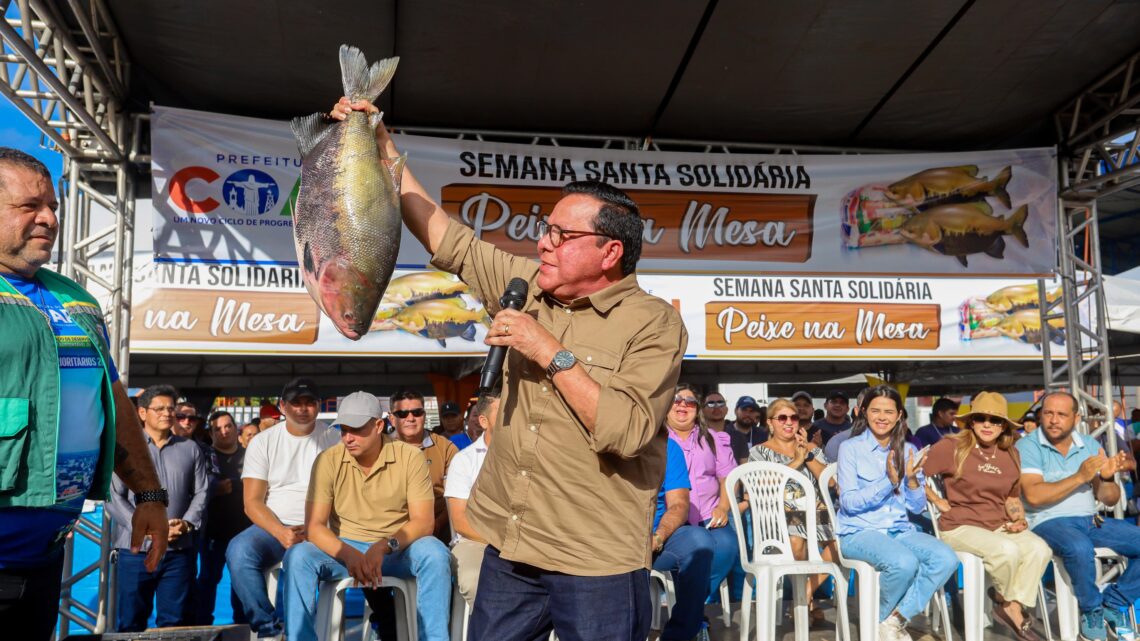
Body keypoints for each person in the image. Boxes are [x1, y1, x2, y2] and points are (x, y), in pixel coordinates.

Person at [331, 98, 688, 641]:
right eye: (546, 229)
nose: (543, 242)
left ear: (610, 251)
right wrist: (380, 145)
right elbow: (444, 237)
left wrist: (547, 349)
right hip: (513, 547)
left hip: (596, 561)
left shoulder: (654, 324)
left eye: (562, 237)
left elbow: (628, 430)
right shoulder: (526, 284)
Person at [0, 148, 169, 641]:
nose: (49, 218)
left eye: (52, 205)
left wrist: (150, 495)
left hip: (45, 555)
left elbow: (111, 400)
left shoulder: (77, 299)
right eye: (29, 206)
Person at [281, 391, 451, 641]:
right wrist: (348, 554)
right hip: (345, 548)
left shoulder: (410, 457)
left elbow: (424, 523)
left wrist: (384, 547)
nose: (348, 437)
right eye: (343, 429)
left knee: (435, 553)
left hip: (397, 550)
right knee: (298, 556)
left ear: (379, 426)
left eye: (356, 429)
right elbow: (314, 527)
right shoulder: (328, 460)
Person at [923, 391, 1050, 641]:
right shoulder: (951, 446)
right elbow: (913, 474)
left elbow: (1012, 498)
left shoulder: (1011, 453)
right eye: (981, 418)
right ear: (971, 421)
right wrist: (938, 500)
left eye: (995, 420)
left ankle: (1006, 601)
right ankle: (1011, 609)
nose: (988, 425)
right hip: (958, 525)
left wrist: (1018, 519)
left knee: (1039, 549)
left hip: (997, 524)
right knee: (1006, 550)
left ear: (1004, 425)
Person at [836, 385, 958, 641]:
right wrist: (888, 482)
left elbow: (915, 507)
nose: (882, 417)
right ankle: (883, 624)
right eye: (875, 410)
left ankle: (892, 620)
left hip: (899, 529)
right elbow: (848, 503)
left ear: (900, 415)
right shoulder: (851, 448)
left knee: (945, 558)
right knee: (903, 563)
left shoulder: (909, 450)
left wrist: (912, 482)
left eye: (889, 412)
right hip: (859, 531)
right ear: (864, 413)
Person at [1018, 391, 1140, 641]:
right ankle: (1091, 610)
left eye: (1061, 414)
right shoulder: (1027, 445)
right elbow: (1033, 496)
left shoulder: (1090, 445)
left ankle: (1114, 603)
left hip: (1090, 520)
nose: (1053, 420)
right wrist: (1080, 477)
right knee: (1078, 546)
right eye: (1048, 413)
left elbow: (1109, 498)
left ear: (1075, 418)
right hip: (1047, 520)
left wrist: (1106, 477)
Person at [227, 378, 339, 640]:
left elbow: (344, 494)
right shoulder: (263, 441)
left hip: (323, 527)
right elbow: (252, 502)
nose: (302, 408)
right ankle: (269, 628)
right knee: (238, 550)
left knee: (297, 559)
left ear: (318, 406)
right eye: (296, 403)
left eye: (309, 402)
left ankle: (294, 631)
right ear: (282, 406)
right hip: (272, 526)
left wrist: (316, 529)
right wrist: (281, 531)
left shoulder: (335, 440)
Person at [107, 384, 208, 631]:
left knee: (174, 623)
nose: (167, 413)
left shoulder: (190, 448)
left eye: (171, 408)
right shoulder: (124, 449)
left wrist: (185, 523)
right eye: (159, 408)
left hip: (177, 551)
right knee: (131, 623)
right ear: (142, 413)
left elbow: (202, 491)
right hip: (135, 552)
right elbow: (114, 499)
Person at [749, 397, 837, 624]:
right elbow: (763, 486)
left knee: (843, 543)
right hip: (777, 515)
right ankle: (803, 602)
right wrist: (795, 462)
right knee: (797, 539)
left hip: (816, 512)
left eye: (794, 417)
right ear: (770, 422)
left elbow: (829, 483)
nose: (789, 422)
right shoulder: (759, 452)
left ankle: (806, 593)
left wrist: (807, 454)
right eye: (782, 417)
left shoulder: (810, 449)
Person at [664, 384, 739, 604]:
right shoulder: (654, 439)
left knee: (726, 548)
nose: (682, 405)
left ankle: (692, 606)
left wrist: (723, 507)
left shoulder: (714, 438)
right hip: (671, 517)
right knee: (687, 555)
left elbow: (727, 477)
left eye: (689, 402)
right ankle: (692, 614)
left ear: (697, 410)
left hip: (709, 514)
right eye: (676, 400)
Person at [653, 434, 714, 641]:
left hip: (658, 537)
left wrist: (658, 537)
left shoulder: (667, 445)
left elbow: (679, 505)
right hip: (614, 538)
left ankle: (679, 635)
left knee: (700, 542)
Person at [444, 391, 500, 606]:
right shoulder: (464, 460)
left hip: (528, 541)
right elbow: (460, 521)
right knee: (475, 580)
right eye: (502, 411)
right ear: (483, 421)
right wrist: (502, 542)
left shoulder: (532, 455)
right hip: (476, 541)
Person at [195, 410, 251, 625]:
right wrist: (212, 489)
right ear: (210, 432)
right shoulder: (204, 456)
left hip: (245, 533)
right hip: (213, 533)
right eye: (217, 428)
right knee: (208, 579)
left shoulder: (251, 455)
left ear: (236, 428)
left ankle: (242, 626)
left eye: (228, 426)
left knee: (242, 581)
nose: (224, 431)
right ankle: (202, 626)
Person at [390, 390, 457, 543]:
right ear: (392, 419)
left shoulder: (446, 448)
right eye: (402, 414)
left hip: (437, 531)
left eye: (417, 412)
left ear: (424, 415)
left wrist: (438, 523)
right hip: (389, 530)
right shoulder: (378, 447)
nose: (410, 418)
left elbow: (456, 497)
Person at [728, 395, 767, 463]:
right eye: (744, 410)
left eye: (751, 411)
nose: (748, 414)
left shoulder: (762, 435)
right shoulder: (726, 433)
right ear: (736, 411)